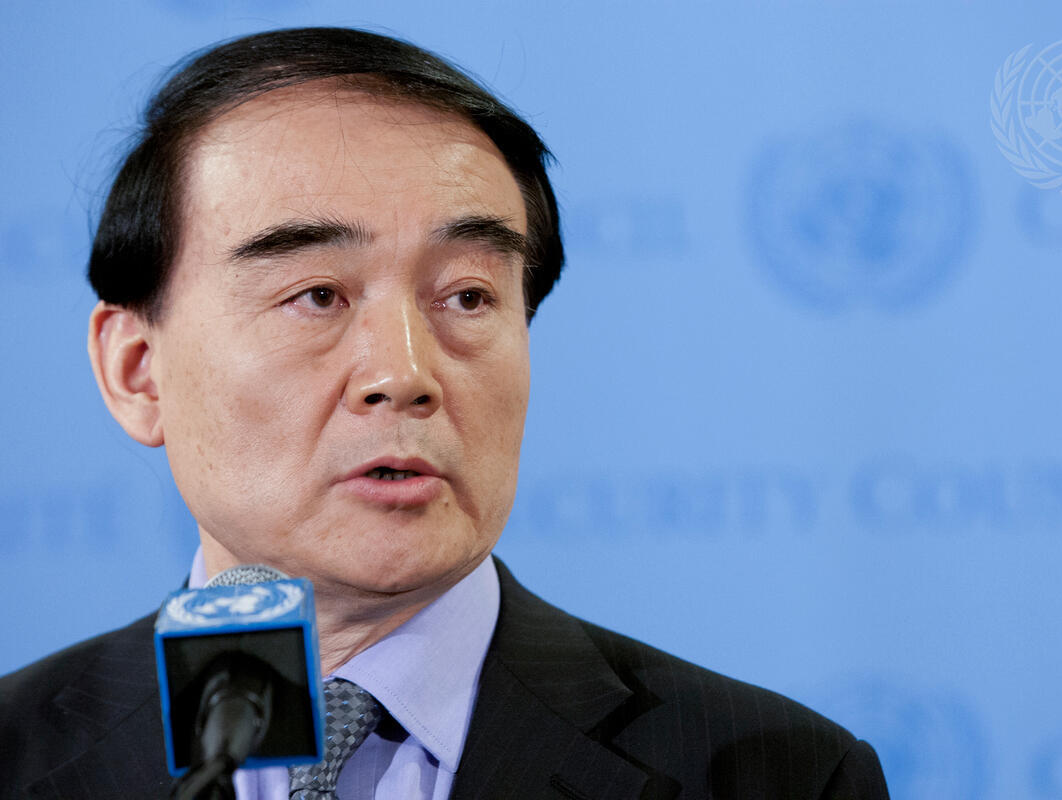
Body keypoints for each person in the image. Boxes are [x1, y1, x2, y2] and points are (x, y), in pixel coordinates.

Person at [0, 27, 889, 799]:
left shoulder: (773, 772)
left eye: (467, 296)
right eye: (317, 295)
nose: (404, 374)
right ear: (138, 372)